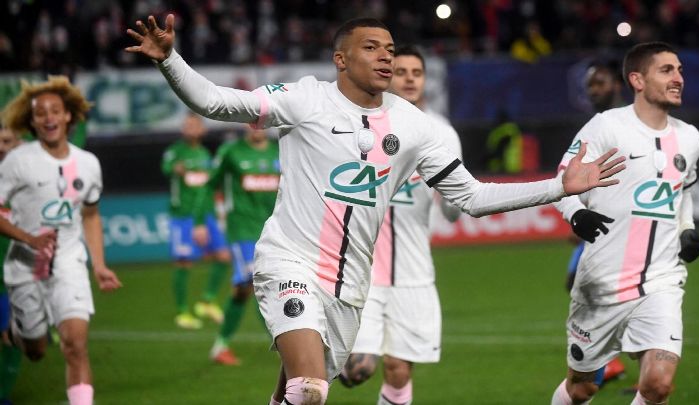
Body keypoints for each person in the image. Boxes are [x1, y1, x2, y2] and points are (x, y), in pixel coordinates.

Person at [126, 15, 624, 405]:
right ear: (340, 59)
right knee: (309, 389)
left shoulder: (415, 126)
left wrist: (559, 186)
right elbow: (215, 101)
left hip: (350, 286)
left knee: (295, 394)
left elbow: (471, 197)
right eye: (372, 48)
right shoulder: (304, 99)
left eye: (390, 48)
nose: (385, 56)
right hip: (289, 261)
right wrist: (170, 59)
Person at [551, 42, 699, 405]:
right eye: (666, 70)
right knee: (582, 388)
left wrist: (686, 228)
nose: (678, 78)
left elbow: (684, 190)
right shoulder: (606, 127)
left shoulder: (689, 137)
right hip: (602, 285)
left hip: (661, 281)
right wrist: (577, 213)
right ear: (637, 80)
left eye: (680, 70)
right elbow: (562, 181)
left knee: (658, 385)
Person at [339, 45, 462, 405]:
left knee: (398, 369)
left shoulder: (442, 133)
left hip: (413, 271)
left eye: (417, 73)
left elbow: (454, 208)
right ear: (388, 76)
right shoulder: (361, 124)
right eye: (402, 72)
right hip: (363, 269)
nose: (410, 79)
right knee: (357, 369)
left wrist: (454, 199)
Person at [0, 76, 123, 405]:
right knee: (36, 350)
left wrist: (99, 265)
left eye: (55, 111)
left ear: (68, 115)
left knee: (75, 345)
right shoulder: (17, 162)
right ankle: (15, 333)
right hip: (25, 267)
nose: (49, 118)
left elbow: (91, 215)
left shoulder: (88, 163)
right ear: (32, 121)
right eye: (40, 113)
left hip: (69, 264)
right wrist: (28, 238)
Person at [564, 60, 629, 386]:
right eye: (590, 85)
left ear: (618, 84)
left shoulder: (630, 126)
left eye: (600, 83)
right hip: (598, 230)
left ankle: (633, 360)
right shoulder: (593, 128)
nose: (593, 90)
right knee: (577, 283)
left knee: (627, 295)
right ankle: (608, 363)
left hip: (628, 232)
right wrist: (580, 213)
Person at [197, 125, 280, 365]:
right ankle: (279, 343)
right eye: (251, 121)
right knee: (253, 283)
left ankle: (224, 346)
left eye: (261, 121)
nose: (256, 126)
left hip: (275, 229)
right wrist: (200, 222)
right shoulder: (231, 151)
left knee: (253, 288)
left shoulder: (280, 150)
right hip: (242, 229)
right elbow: (210, 185)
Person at [161, 112, 231, 329]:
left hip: (207, 214)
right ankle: (182, 312)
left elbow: (211, 187)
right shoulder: (175, 152)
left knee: (223, 256)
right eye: (187, 125)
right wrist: (175, 168)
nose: (190, 129)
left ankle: (207, 301)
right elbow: (166, 169)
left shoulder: (204, 155)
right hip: (183, 215)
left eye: (195, 125)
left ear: (203, 129)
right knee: (183, 262)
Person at [0, 127, 23, 405]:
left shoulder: (28, 183)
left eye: (7, 141)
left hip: (13, 278)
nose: (1, 147)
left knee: (13, 339)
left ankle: (3, 395)